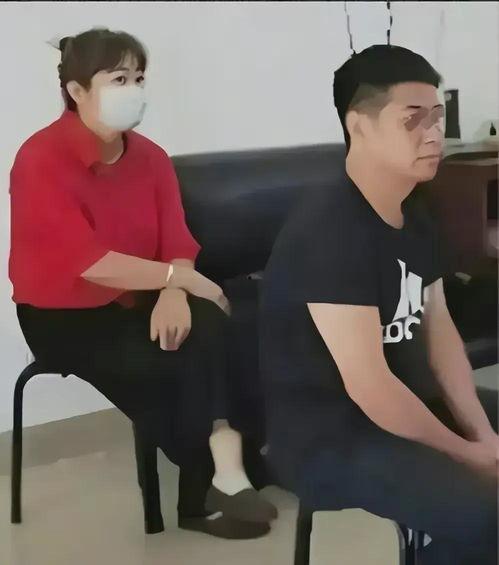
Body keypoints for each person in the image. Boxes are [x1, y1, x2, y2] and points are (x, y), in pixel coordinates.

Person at [9, 27, 276, 540]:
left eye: (138, 78)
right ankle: (218, 477)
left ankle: (220, 476)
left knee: (218, 324)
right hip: (64, 316)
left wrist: (174, 291)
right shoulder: (40, 159)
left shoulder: (150, 157)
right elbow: (87, 262)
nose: (133, 90)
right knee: (173, 364)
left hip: (141, 296)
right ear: (77, 91)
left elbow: (177, 238)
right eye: (118, 79)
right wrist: (180, 279)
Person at [260, 44, 498, 564]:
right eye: (412, 119)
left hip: (410, 404)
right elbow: (370, 387)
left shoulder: (414, 208)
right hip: (330, 436)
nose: (433, 133)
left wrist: (482, 432)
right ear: (359, 126)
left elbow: (440, 336)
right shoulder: (329, 230)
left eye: (437, 116)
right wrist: (469, 455)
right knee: (487, 514)